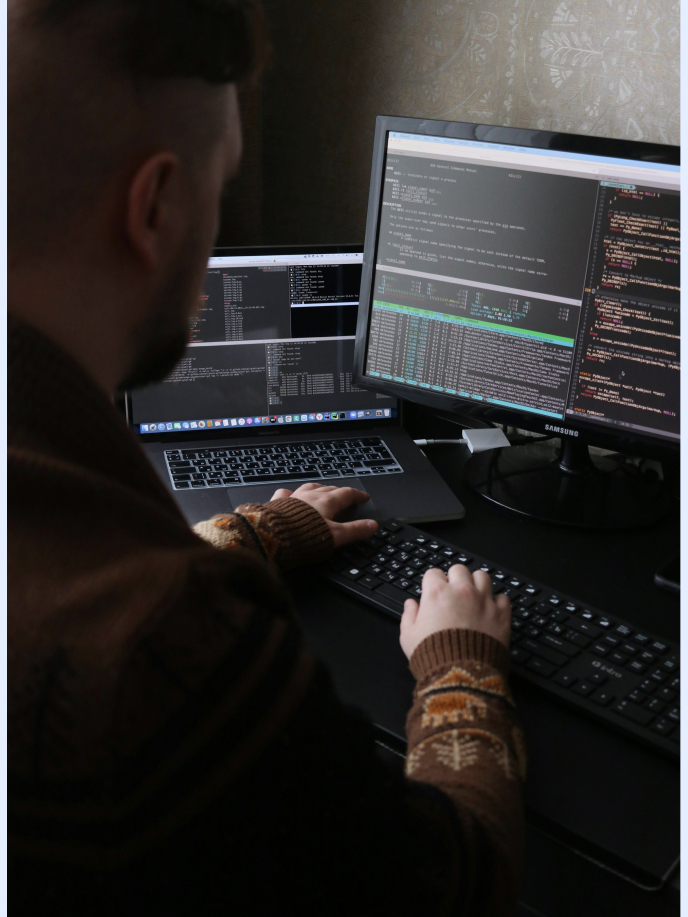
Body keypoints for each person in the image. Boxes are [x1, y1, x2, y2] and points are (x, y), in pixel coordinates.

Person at [7, 0, 526, 914]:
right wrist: (460, 667)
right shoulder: (173, 650)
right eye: (222, 184)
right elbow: (455, 884)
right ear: (158, 206)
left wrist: (248, 532)